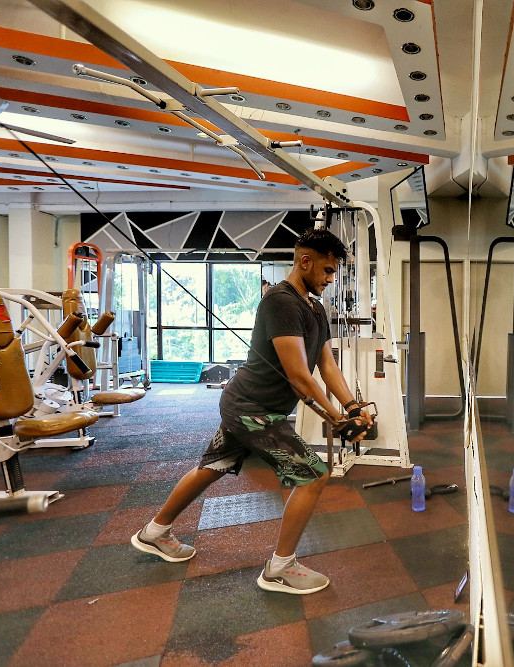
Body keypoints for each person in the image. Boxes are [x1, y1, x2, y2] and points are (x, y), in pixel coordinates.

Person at [132, 228, 373, 595]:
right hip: (251, 408)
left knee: (214, 466)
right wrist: (337, 420)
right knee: (313, 476)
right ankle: (279, 568)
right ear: (304, 261)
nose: (329, 279)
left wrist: (352, 406)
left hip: (249, 405)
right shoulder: (281, 302)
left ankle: (154, 531)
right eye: (326, 270)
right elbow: (299, 376)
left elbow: (326, 365)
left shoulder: (315, 308)